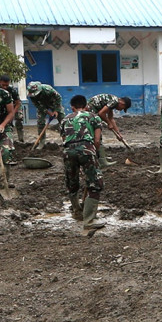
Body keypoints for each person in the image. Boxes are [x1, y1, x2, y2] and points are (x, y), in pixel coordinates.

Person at [61, 94, 105, 229]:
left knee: (72, 182)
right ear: (86, 106)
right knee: (95, 183)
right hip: (86, 150)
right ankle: (89, 220)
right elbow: (97, 140)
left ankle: (77, 212)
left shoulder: (65, 119)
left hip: (68, 152)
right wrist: (95, 153)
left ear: (72, 108)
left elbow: (64, 139)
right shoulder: (93, 117)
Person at [87, 93, 131, 165]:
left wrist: (118, 133)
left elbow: (111, 119)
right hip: (90, 111)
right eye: (122, 108)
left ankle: (101, 156)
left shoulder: (113, 102)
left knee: (97, 134)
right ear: (122, 103)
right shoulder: (114, 101)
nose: (120, 110)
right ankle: (101, 160)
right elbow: (101, 113)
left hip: (94, 111)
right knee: (97, 135)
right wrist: (108, 123)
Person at [0, 74, 26, 143]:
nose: (5, 87)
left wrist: (13, 113)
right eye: (3, 85)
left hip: (15, 106)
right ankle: (8, 138)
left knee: (19, 119)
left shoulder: (12, 90)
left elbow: (18, 103)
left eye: (7, 85)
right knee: (7, 121)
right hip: (5, 107)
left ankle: (21, 138)